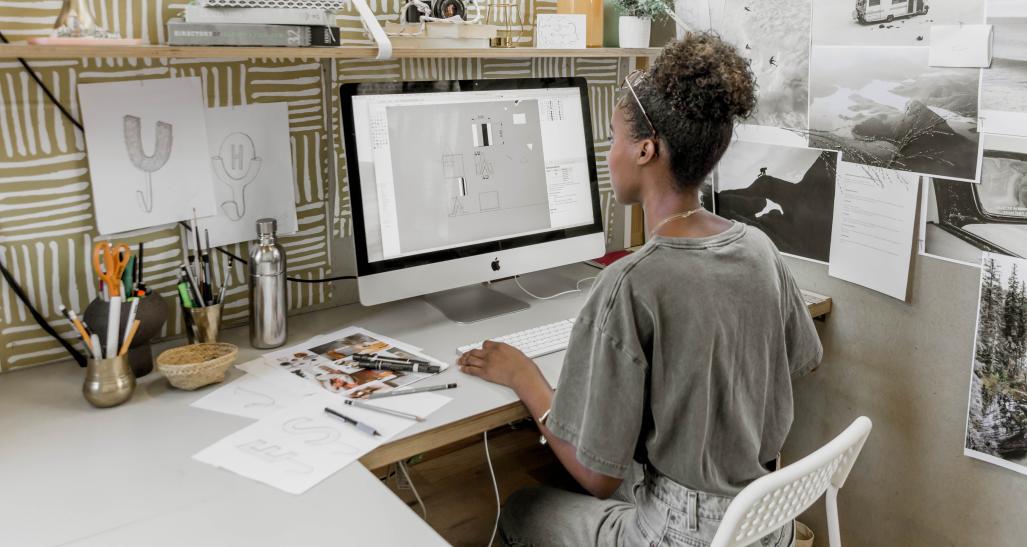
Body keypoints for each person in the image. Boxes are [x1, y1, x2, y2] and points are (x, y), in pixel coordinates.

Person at [457, 32, 822, 547]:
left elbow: (598, 478)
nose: (608, 153)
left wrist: (524, 377)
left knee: (522, 506)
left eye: (613, 137)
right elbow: (801, 359)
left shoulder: (629, 283)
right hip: (764, 519)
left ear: (646, 149)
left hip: (681, 535)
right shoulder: (760, 247)